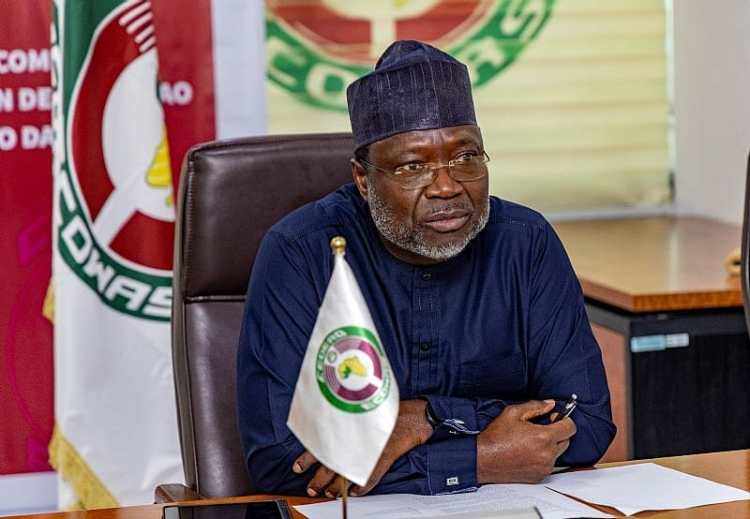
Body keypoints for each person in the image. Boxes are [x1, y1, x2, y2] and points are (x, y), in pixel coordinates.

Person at [237, 40, 615, 498]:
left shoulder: (525, 242)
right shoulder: (301, 251)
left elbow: (587, 423)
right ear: (363, 179)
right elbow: (280, 459)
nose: (446, 186)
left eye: (465, 157)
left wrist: (426, 417)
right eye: (413, 166)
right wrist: (479, 457)